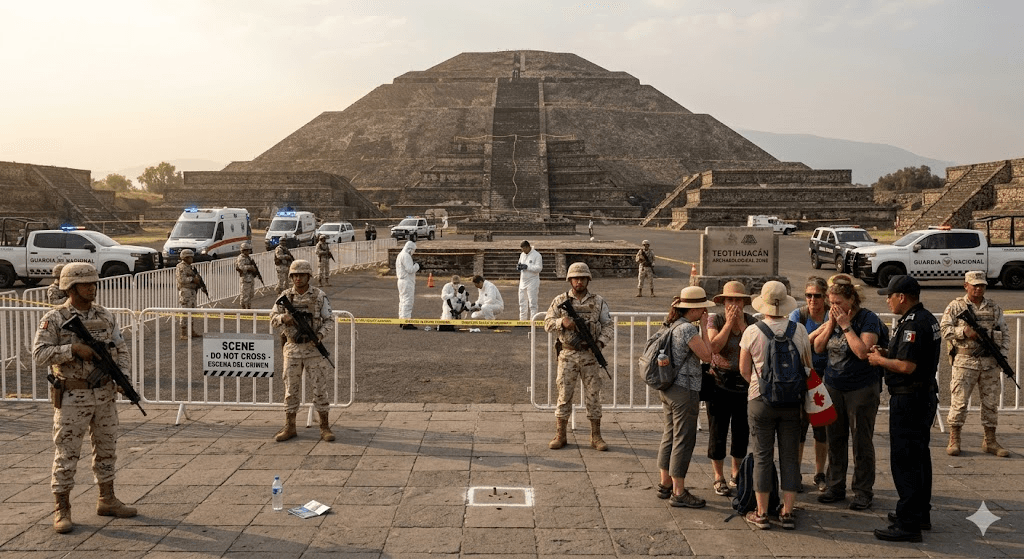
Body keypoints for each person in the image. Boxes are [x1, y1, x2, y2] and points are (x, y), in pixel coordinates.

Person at [33, 262, 137, 534]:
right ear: (70, 287)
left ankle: (107, 498)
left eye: (94, 283)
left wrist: (123, 378)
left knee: (106, 449)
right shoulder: (55, 318)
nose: (92, 288)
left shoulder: (105, 315)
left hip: (103, 394)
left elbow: (121, 349)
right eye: (85, 284)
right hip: (72, 395)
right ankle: (62, 508)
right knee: (66, 453)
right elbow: (39, 354)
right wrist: (72, 349)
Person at [868, 275, 941, 542]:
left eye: (890, 295)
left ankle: (908, 523)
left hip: (910, 399)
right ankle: (919, 512)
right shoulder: (925, 318)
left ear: (902, 297)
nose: (887, 300)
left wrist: (878, 360)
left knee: (905, 460)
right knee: (920, 458)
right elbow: (910, 356)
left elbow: (908, 366)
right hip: (921, 397)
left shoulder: (912, 324)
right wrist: (887, 352)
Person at [739, 281, 812, 530]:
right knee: (790, 456)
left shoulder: (752, 331)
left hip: (761, 400)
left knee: (762, 455)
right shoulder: (799, 330)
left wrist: (760, 384)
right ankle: (788, 512)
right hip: (792, 402)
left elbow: (744, 369)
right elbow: (808, 366)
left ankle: (761, 512)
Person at [813, 273, 882, 511]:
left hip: (861, 387)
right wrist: (831, 324)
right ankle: (835, 485)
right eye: (831, 303)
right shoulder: (831, 319)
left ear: (851, 299)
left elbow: (862, 351)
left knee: (861, 440)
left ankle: (863, 491)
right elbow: (818, 347)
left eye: (838, 303)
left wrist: (845, 326)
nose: (834, 307)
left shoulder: (868, 319)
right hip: (834, 385)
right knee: (835, 438)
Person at [655, 286, 715, 508]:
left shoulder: (672, 325)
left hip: (668, 387)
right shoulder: (688, 330)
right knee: (683, 438)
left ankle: (665, 484)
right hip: (684, 390)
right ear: (696, 309)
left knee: (669, 434)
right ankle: (679, 491)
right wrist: (706, 330)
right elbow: (707, 355)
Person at [543, 262, 614, 451]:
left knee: (593, 395)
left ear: (588, 279)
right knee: (564, 395)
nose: (579, 281)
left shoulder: (598, 301)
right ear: (570, 280)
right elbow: (547, 322)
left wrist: (599, 343)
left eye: (583, 278)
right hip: (567, 354)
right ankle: (561, 434)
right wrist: (562, 322)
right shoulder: (560, 300)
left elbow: (608, 325)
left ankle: (596, 436)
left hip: (590, 355)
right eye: (576, 278)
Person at [940, 270, 1011, 457]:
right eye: (975, 285)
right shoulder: (956, 306)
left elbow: (1005, 333)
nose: (979, 288)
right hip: (965, 362)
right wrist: (964, 332)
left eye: (982, 285)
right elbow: (944, 329)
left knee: (990, 403)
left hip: (989, 363)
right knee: (959, 402)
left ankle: (990, 441)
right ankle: (954, 439)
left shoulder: (994, 308)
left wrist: (1001, 357)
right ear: (966, 286)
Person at [269, 260, 336, 442]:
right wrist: (284, 317)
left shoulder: (319, 296)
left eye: (301, 275)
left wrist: (320, 336)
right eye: (295, 275)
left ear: (308, 276)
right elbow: (272, 318)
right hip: (292, 348)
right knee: (291, 390)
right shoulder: (285, 296)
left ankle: (324, 427)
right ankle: (290, 427)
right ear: (291, 277)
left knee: (320, 389)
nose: (298, 278)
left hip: (313, 349)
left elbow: (330, 320)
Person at [705, 281, 756, 497]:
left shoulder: (752, 322)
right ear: (723, 302)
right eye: (729, 300)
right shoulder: (714, 319)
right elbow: (714, 346)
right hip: (719, 382)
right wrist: (728, 324)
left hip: (744, 382)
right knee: (718, 430)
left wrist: (741, 326)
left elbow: (755, 344)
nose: (733, 304)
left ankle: (736, 472)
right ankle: (718, 476)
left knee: (741, 430)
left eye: (737, 300)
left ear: (744, 303)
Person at [789, 276, 830, 492]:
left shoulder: (832, 314)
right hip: (803, 375)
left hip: (825, 376)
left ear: (825, 297)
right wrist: (819, 332)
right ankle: (795, 472)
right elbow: (798, 340)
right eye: (808, 295)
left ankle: (819, 472)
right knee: (800, 426)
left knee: (821, 427)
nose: (812, 300)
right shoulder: (799, 315)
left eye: (817, 296)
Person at [175, 249, 203, 340]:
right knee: (185, 312)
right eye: (190, 257)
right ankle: (183, 333)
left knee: (192, 311)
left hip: (192, 291)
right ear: (185, 257)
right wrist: (192, 279)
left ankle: (191, 331)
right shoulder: (181, 267)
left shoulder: (190, 267)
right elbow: (181, 280)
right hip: (185, 291)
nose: (192, 259)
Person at [517, 240, 543, 323]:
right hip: (523, 281)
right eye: (522, 250)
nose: (523, 251)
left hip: (533, 281)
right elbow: (520, 263)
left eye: (524, 249)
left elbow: (539, 268)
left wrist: (527, 267)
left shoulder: (537, 255)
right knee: (522, 302)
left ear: (528, 247)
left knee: (532, 303)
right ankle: (522, 321)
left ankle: (533, 321)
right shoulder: (522, 255)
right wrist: (519, 267)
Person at [396, 240, 420, 329]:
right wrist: (417, 265)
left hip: (401, 281)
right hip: (406, 281)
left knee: (402, 301)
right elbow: (410, 269)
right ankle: (406, 321)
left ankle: (402, 319)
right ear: (410, 249)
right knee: (408, 301)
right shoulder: (406, 256)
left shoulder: (400, 255)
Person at [234, 241, 259, 309]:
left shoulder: (248, 258)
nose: (249, 252)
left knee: (251, 294)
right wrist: (250, 267)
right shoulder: (241, 258)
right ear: (243, 250)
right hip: (245, 278)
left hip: (250, 278)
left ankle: (248, 306)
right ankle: (244, 307)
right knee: (245, 294)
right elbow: (241, 267)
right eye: (247, 250)